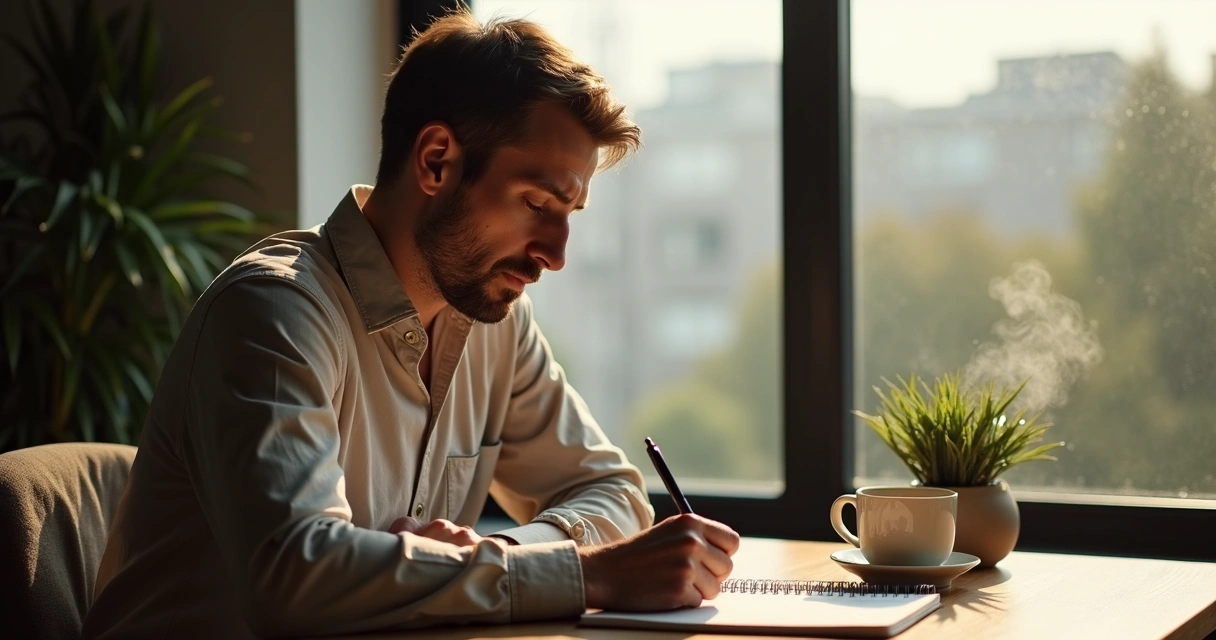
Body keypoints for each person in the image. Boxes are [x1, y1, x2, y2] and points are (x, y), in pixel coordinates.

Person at [82, 9, 740, 639]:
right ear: (435, 161)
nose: (557, 254)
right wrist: (586, 573)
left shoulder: (495, 324)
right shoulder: (273, 311)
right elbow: (294, 575)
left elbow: (612, 492)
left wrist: (502, 555)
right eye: (538, 203)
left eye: (570, 214)